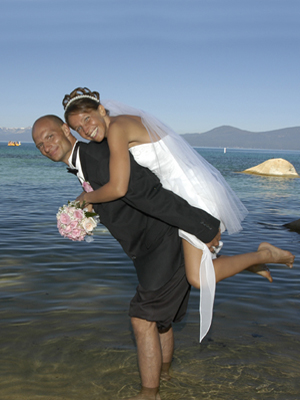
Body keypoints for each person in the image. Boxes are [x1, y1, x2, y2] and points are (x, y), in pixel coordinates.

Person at [32, 115, 294, 400]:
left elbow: (150, 194)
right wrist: (83, 215)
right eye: (38, 144)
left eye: (49, 136)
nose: (45, 146)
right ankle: (165, 376)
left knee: (142, 320)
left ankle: (149, 393)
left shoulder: (97, 156)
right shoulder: (85, 163)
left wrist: (201, 225)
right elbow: (120, 201)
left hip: (162, 243)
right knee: (161, 322)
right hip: (147, 251)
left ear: (66, 131)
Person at [61, 87, 247, 341]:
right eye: (78, 129)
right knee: (196, 276)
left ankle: (262, 255)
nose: (85, 130)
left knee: (198, 278)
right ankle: (256, 260)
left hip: (192, 196)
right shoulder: (121, 125)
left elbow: (119, 187)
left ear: (102, 110)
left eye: (87, 119)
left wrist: (85, 198)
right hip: (184, 194)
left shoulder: (117, 129)